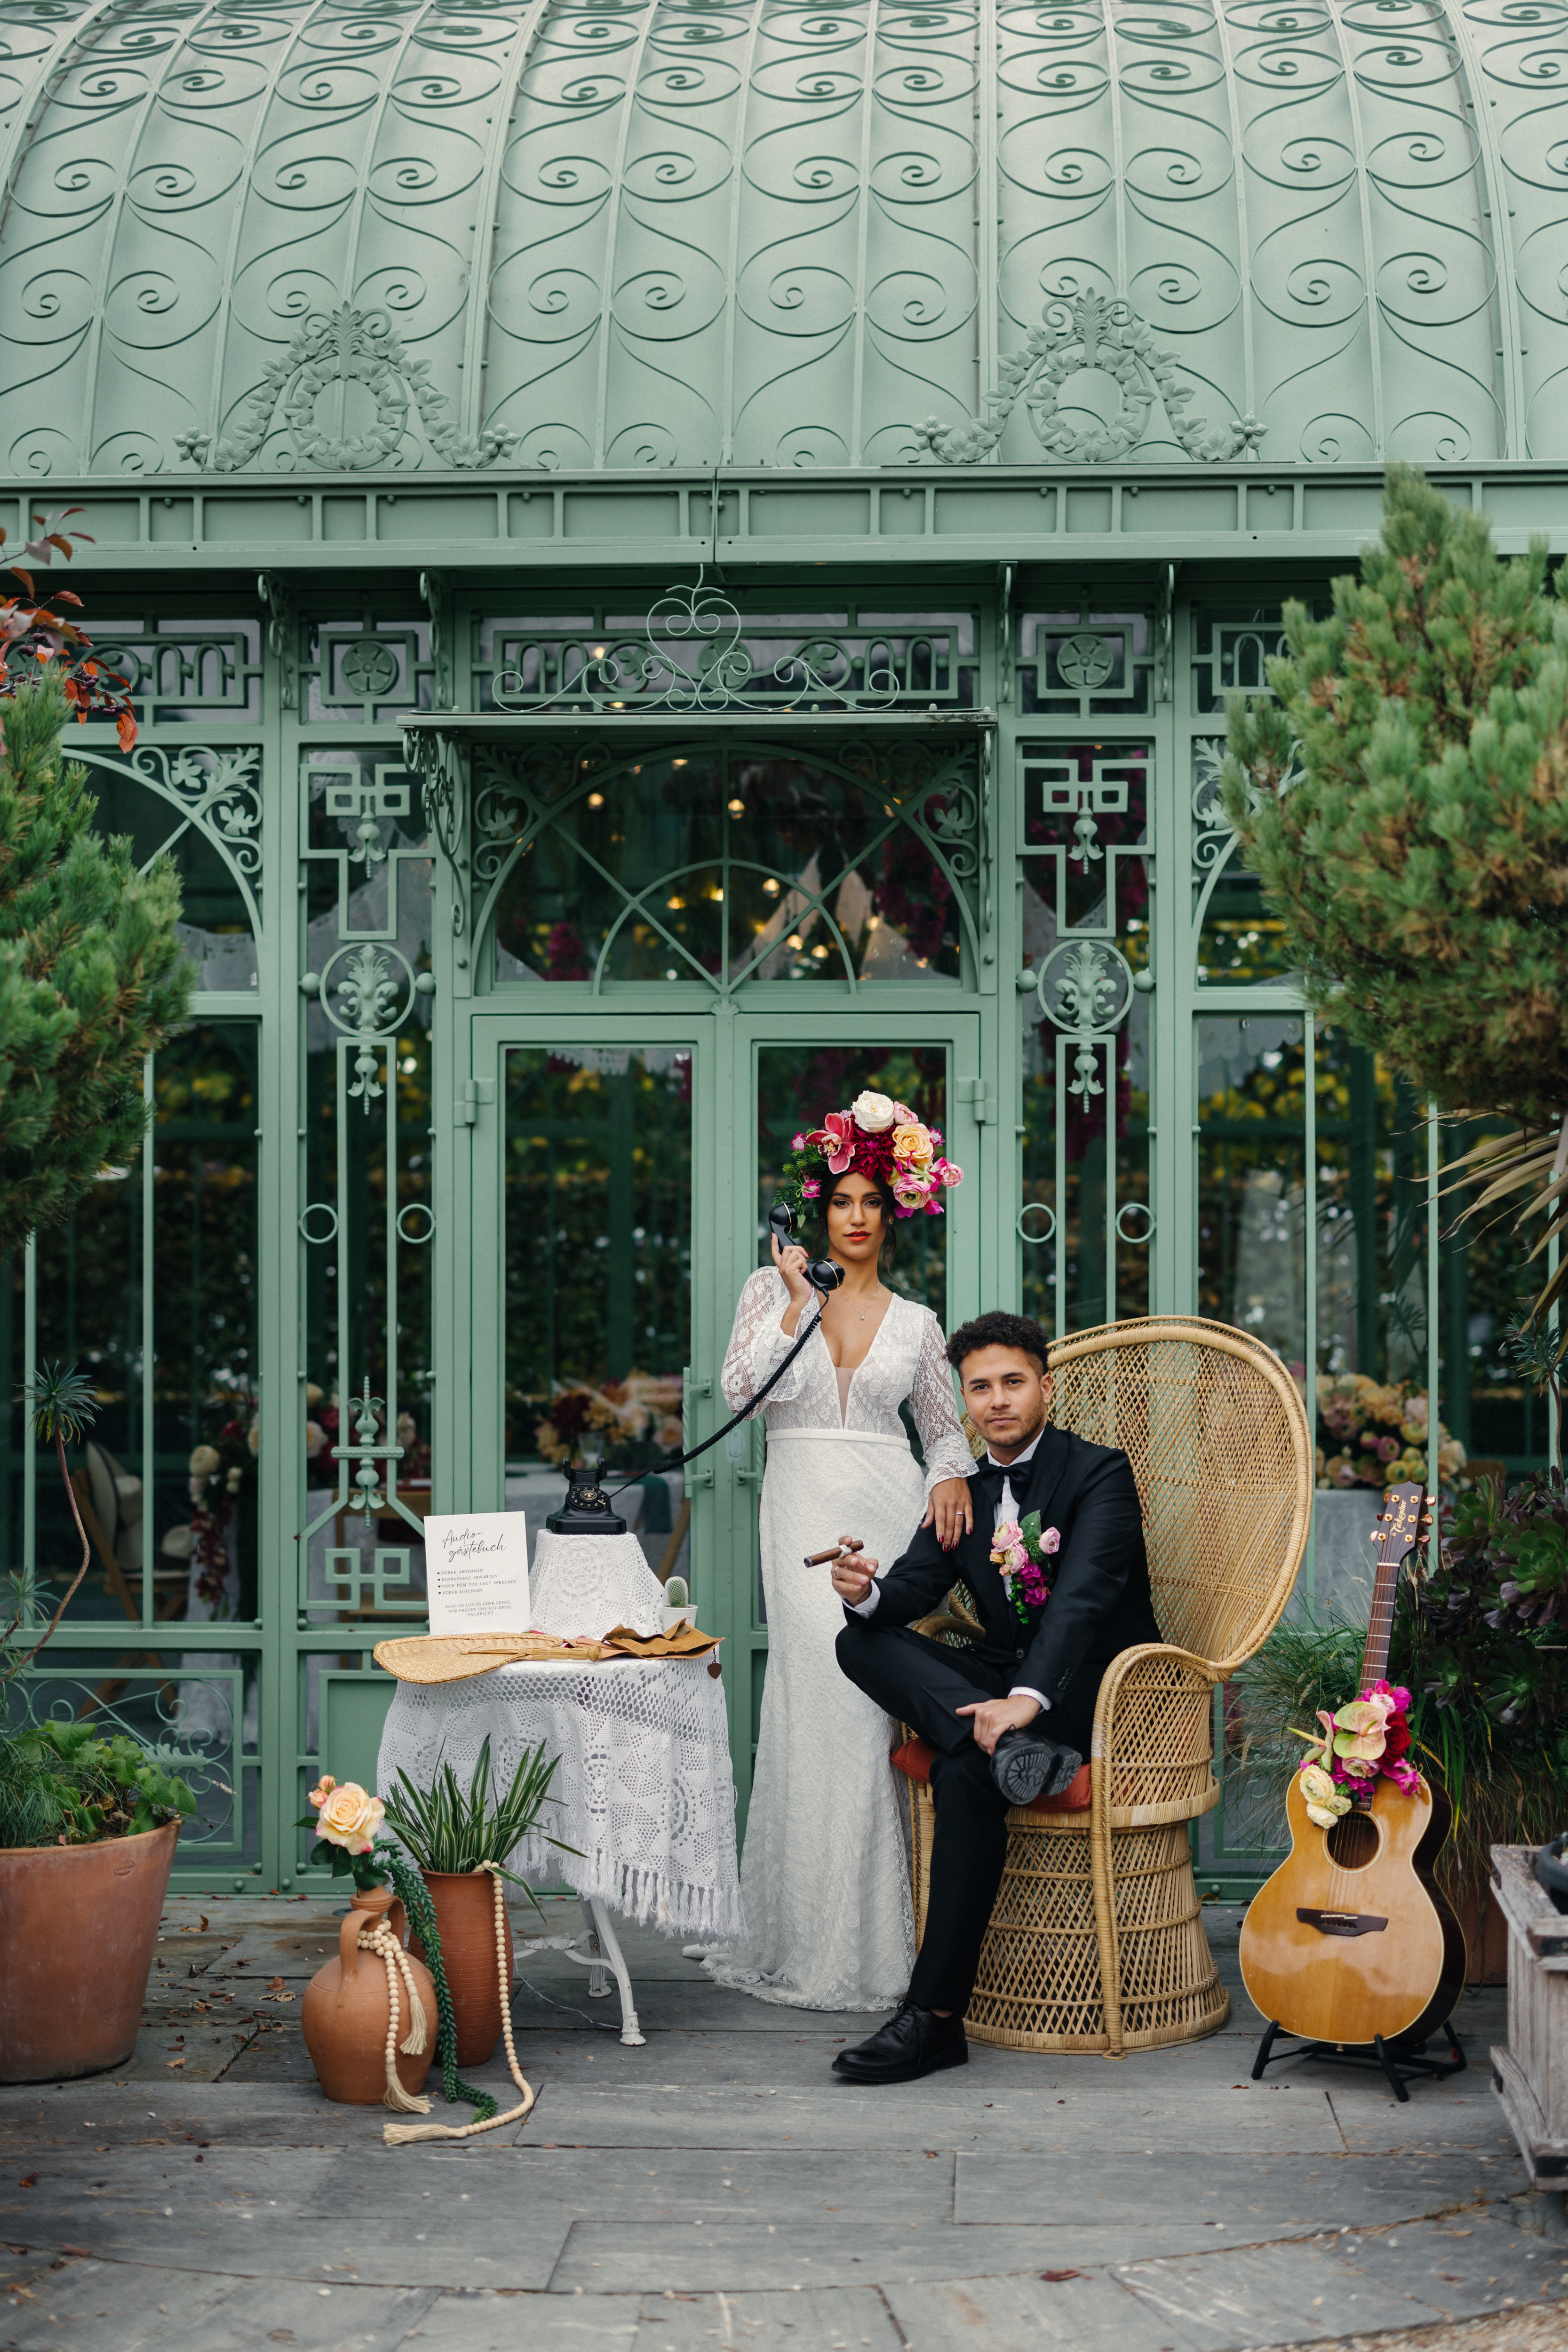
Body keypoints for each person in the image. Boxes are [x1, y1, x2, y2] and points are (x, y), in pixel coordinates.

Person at [830, 1309, 1162, 2082]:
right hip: (1002, 1698)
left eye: (1012, 1382)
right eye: (978, 1388)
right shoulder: (962, 1490)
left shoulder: (1099, 1472)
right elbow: (912, 1587)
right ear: (965, 1401)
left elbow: (1081, 1601)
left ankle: (932, 2021)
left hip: (1092, 1691)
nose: (997, 1401)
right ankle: (1008, 1751)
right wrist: (867, 1589)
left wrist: (1025, 1701)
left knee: (958, 1772)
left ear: (1044, 1386)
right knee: (857, 1637)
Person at [698, 1088, 976, 2011]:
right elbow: (738, 1392)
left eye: (870, 1204)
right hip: (801, 1508)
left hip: (889, 1510)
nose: (854, 1218)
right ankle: (810, 1937)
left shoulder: (918, 1321)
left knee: (870, 1715)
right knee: (818, 1702)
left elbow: (944, 1430)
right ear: (817, 1214)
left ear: (891, 1217)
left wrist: (943, 1474)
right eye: (840, 1202)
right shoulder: (770, 1292)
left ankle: (881, 1946)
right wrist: (791, 1299)